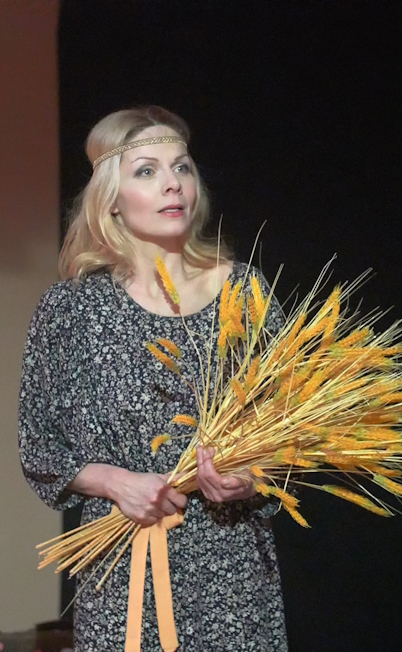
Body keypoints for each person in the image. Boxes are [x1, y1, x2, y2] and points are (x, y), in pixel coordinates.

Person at [19, 106, 288, 651]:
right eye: (147, 170)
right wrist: (115, 482)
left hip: (233, 569)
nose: (173, 183)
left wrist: (251, 476)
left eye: (181, 167)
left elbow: (291, 427)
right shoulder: (72, 310)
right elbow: (39, 445)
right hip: (123, 568)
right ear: (111, 198)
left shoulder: (245, 293)